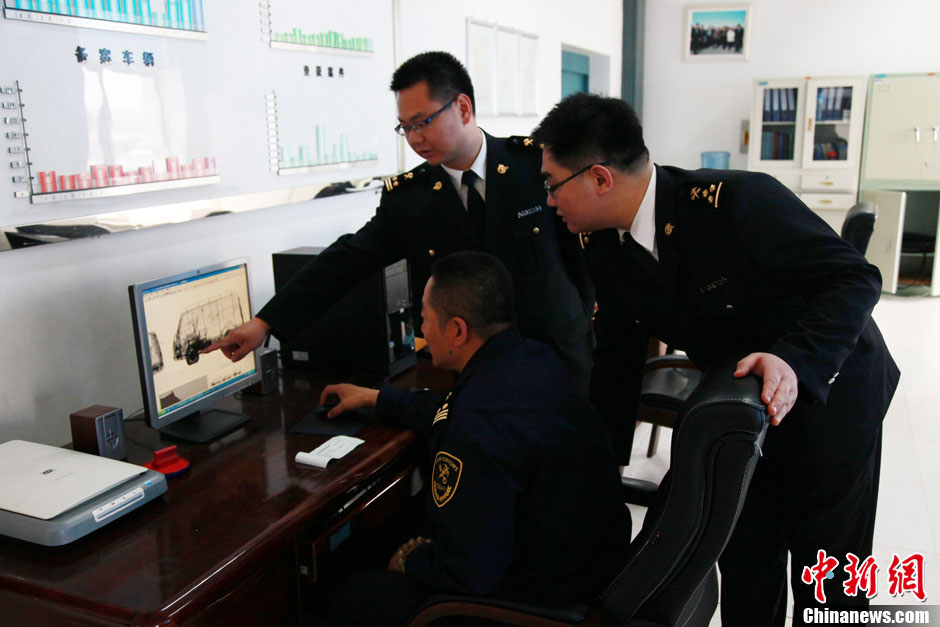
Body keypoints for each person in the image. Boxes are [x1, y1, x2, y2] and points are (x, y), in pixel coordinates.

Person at [531, 93, 900, 626]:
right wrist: (603, 465)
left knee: (830, 576)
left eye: (552, 184)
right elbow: (617, 350)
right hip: (740, 408)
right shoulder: (602, 244)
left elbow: (855, 278)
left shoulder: (735, 203)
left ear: (599, 178)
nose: (548, 201)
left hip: (831, 390)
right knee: (748, 560)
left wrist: (793, 359)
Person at [204, 50, 595, 391]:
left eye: (422, 121)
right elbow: (345, 261)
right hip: (479, 379)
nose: (413, 138)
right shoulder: (410, 199)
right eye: (405, 127)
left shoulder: (535, 167)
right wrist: (266, 322)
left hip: (559, 363)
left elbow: (585, 257)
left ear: (462, 107)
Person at [319, 251, 629, 626]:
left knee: (350, 594)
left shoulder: (473, 426)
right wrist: (378, 398)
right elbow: (456, 410)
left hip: (538, 601)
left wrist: (411, 559)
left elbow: (471, 574)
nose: (421, 330)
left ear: (458, 331)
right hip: (589, 564)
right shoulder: (533, 360)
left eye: (426, 319)